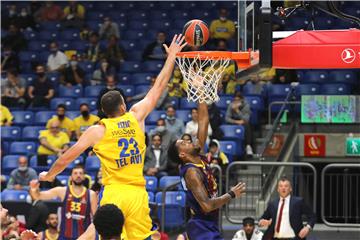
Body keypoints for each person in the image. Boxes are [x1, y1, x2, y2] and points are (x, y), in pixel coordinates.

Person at [37, 34, 187, 240]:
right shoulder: (136, 116)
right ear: (123, 106)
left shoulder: (98, 129)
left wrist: (50, 175)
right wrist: (172, 57)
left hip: (114, 193)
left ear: (104, 112)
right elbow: (158, 87)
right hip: (137, 192)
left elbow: (66, 157)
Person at [167, 101, 246, 240]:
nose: (188, 141)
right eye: (183, 143)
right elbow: (207, 206)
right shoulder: (192, 173)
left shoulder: (199, 156)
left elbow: (203, 120)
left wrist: (201, 95)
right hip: (201, 226)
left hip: (208, 223)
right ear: (182, 155)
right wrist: (231, 194)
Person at [29, 165, 97, 240]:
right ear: (71, 177)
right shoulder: (63, 191)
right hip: (65, 236)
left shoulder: (91, 194)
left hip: (84, 236)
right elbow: (38, 196)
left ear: (84, 177)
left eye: (81, 173)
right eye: (75, 173)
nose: (78, 175)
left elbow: (96, 219)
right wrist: (34, 189)